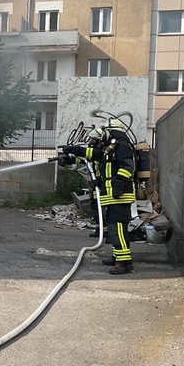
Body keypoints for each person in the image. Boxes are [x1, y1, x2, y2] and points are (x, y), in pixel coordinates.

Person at [62, 118, 137, 275]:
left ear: (111, 131)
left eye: (105, 132)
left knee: (118, 228)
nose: (104, 135)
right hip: (112, 195)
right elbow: (97, 157)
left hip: (120, 195)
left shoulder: (122, 146)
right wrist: (76, 152)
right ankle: (118, 257)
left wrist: (119, 184)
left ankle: (124, 262)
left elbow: (128, 166)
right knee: (113, 228)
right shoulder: (112, 147)